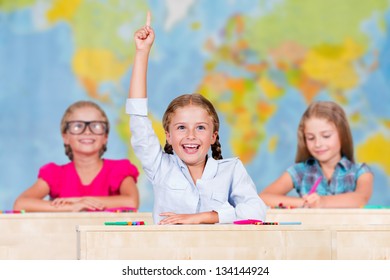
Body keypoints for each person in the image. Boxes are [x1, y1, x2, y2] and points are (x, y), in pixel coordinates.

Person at [126, 12, 266, 224]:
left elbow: (256, 211)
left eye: (200, 128)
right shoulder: (160, 168)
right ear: (169, 136)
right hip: (169, 255)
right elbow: (138, 118)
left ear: (213, 136)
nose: (191, 135)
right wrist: (142, 53)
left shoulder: (230, 170)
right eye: (181, 127)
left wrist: (204, 217)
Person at [13, 100, 140, 212]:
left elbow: (131, 202)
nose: (87, 131)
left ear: (105, 137)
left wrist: (78, 201)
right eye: (78, 126)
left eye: (96, 126)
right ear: (65, 136)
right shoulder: (55, 174)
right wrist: (72, 206)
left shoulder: (118, 170)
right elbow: (21, 204)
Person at [259, 101, 373, 208]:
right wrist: (305, 202)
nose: (318, 144)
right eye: (311, 138)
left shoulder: (360, 171)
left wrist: (323, 202)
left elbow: (361, 198)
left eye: (326, 136)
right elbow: (263, 198)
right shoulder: (300, 171)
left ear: (342, 135)